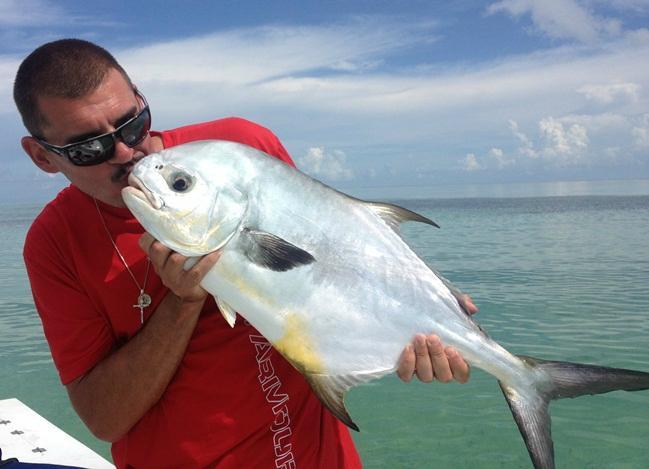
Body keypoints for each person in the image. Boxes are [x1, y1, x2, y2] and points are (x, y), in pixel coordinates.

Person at [15, 39, 478, 468]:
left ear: (139, 97)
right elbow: (104, 418)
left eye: (133, 124)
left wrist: (418, 309)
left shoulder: (240, 149)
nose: (125, 152)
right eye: (89, 147)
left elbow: (333, 255)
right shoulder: (54, 244)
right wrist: (183, 300)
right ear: (42, 157)